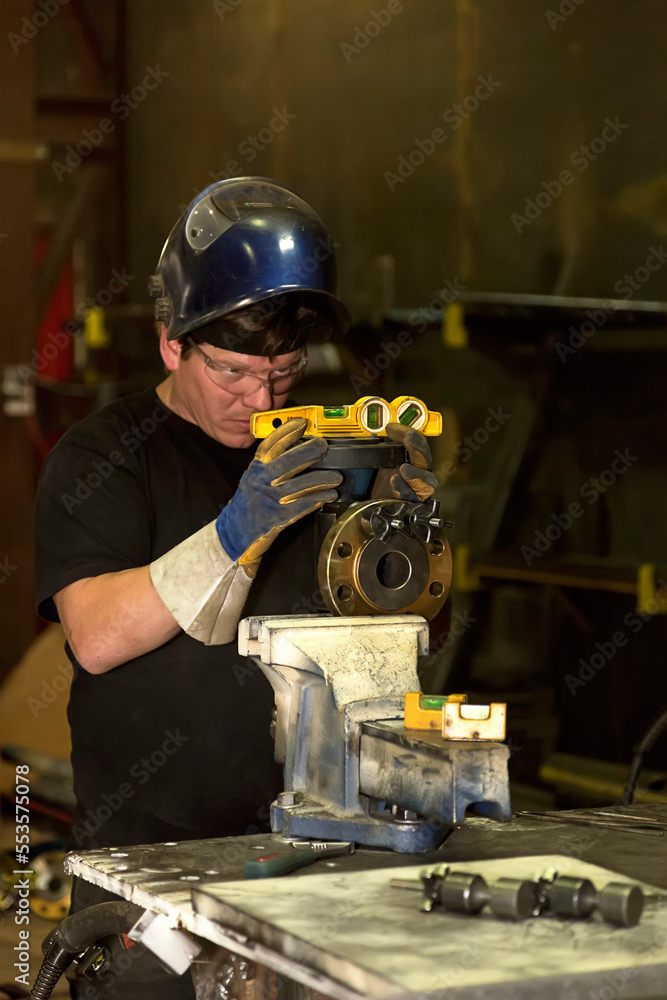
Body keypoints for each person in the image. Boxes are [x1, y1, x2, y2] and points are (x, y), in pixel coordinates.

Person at [34, 177, 437, 999]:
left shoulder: (326, 459)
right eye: (232, 371)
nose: (260, 397)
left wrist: (414, 549)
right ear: (170, 344)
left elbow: (395, 666)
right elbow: (97, 637)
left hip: (310, 865)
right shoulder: (108, 456)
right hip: (148, 879)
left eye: (283, 372)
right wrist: (233, 532)